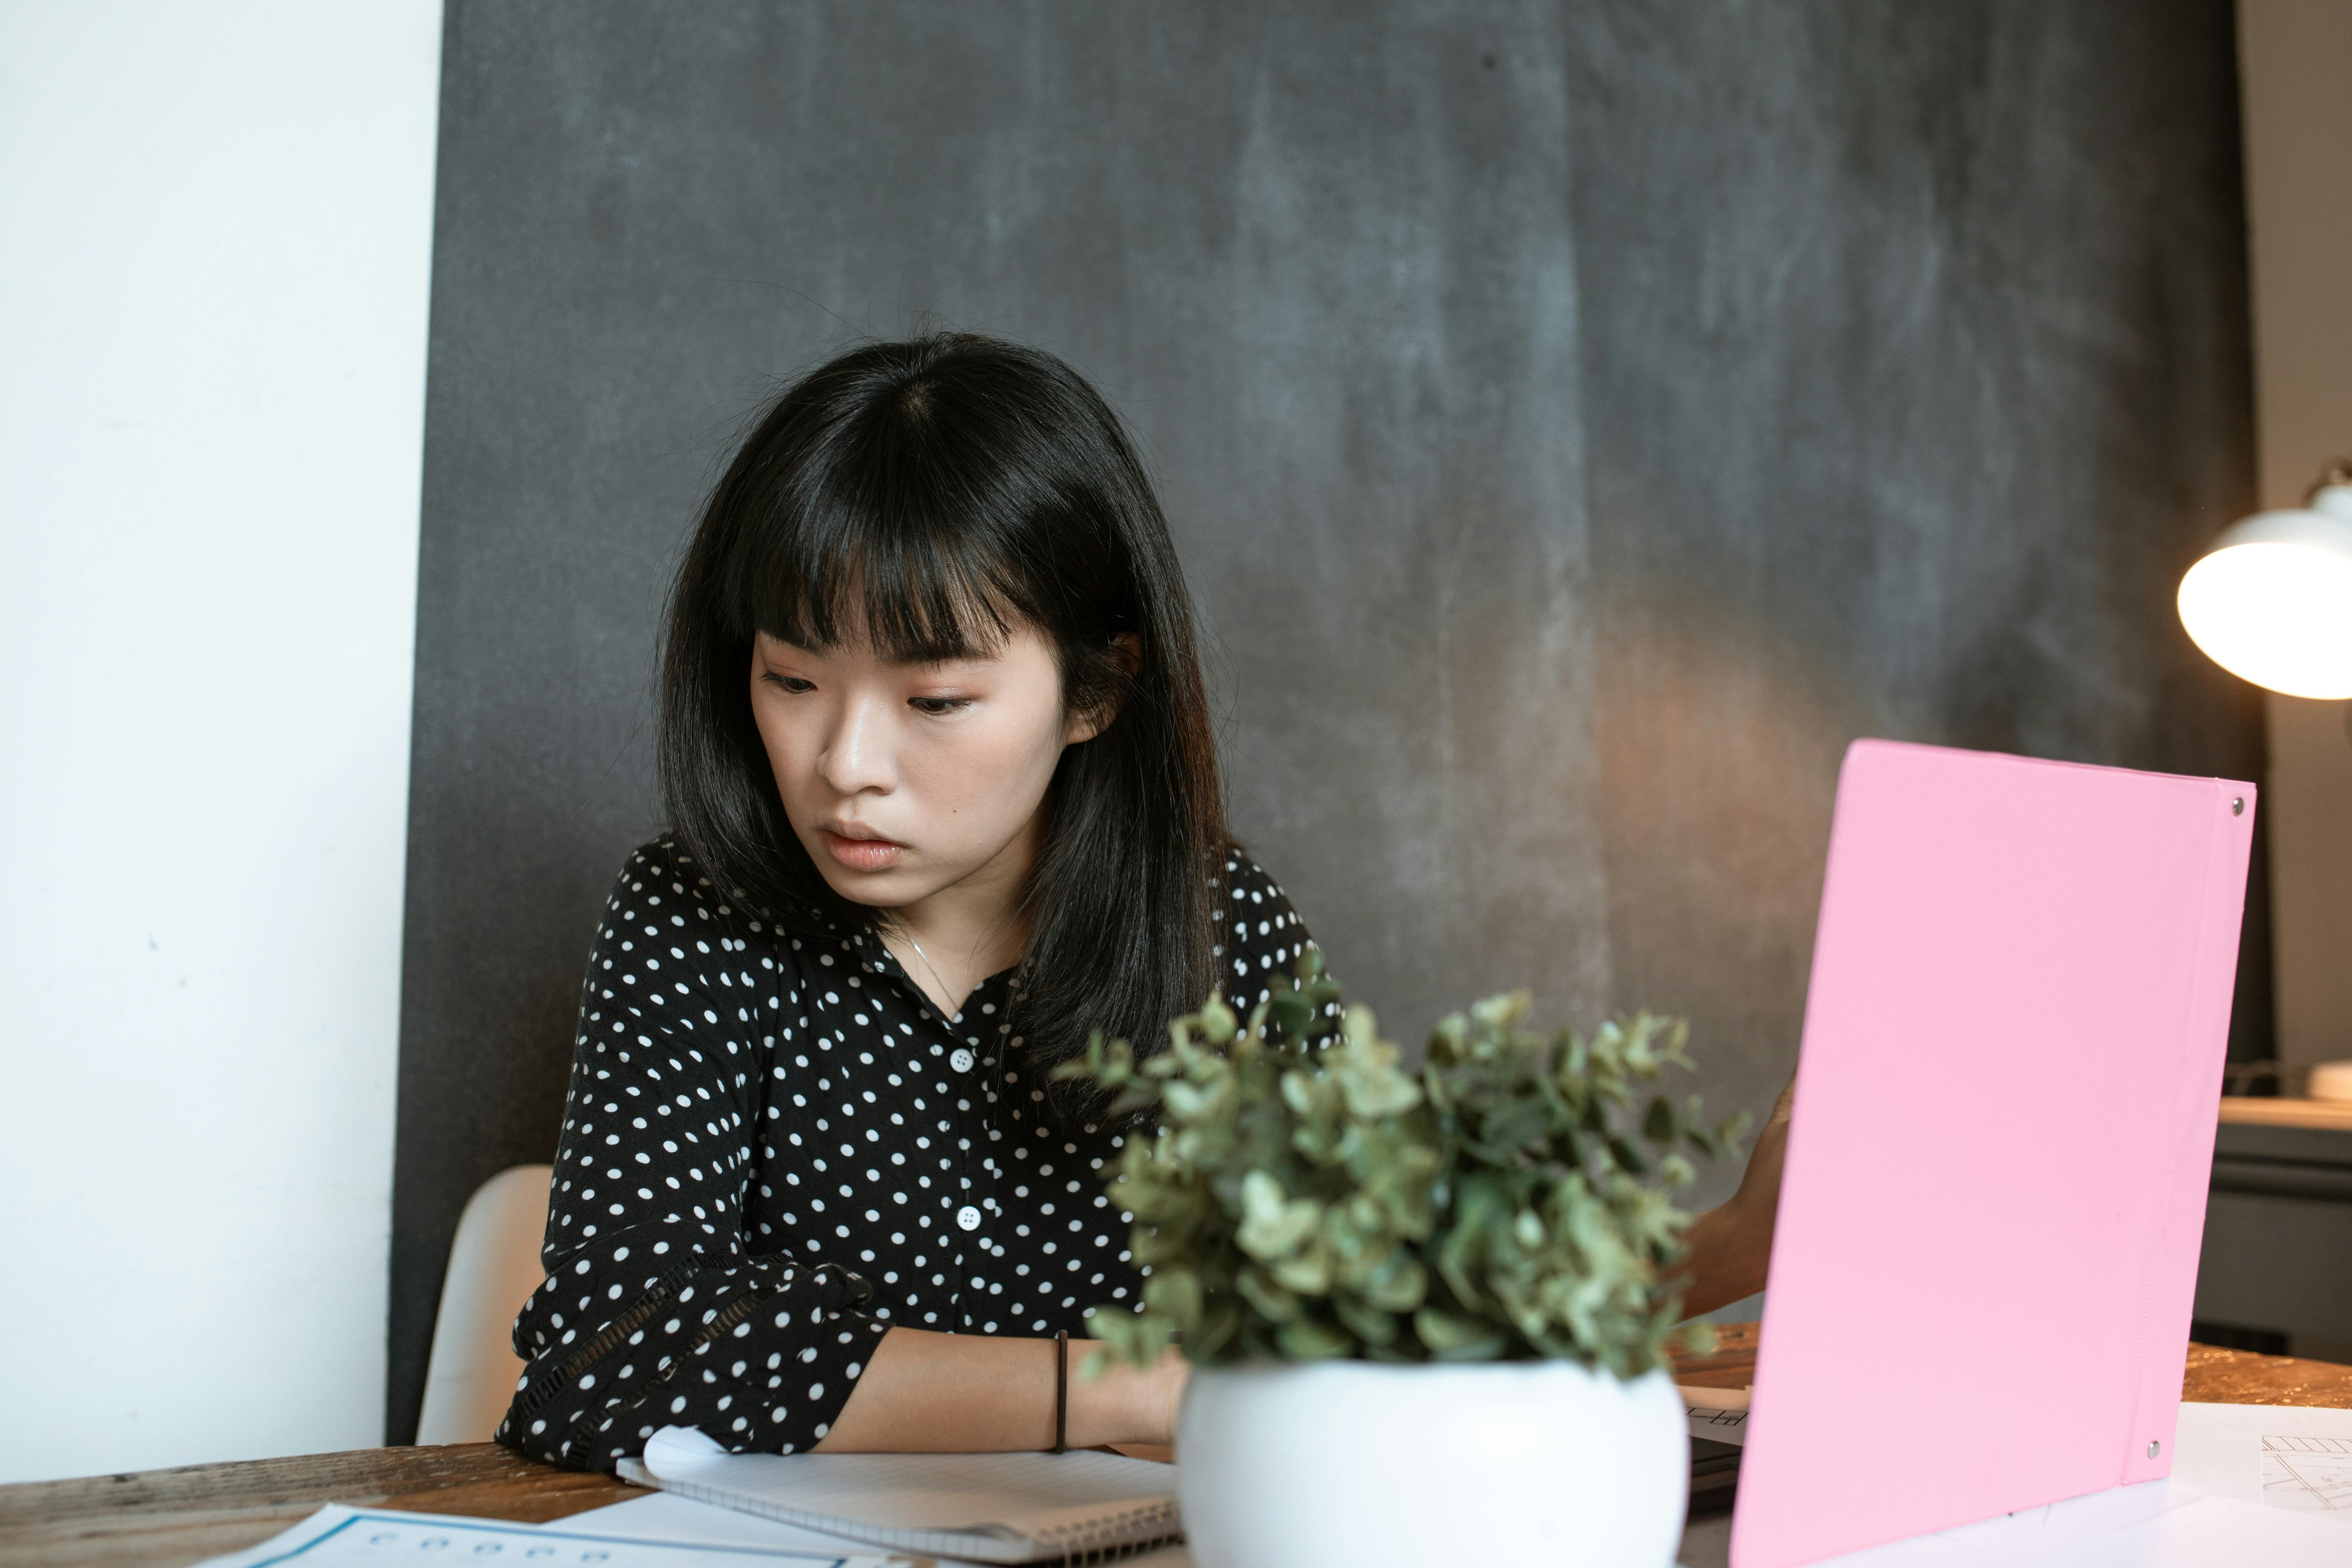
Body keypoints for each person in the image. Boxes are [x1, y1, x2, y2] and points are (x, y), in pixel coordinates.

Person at [495, 333, 1790, 1472]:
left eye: (934, 700)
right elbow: (609, 1355)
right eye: (792, 681)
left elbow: (1389, 1313)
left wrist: (1734, 1243)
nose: (846, 762)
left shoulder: (1219, 934)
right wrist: (1122, 1385)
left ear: (1098, 691)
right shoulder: (695, 914)